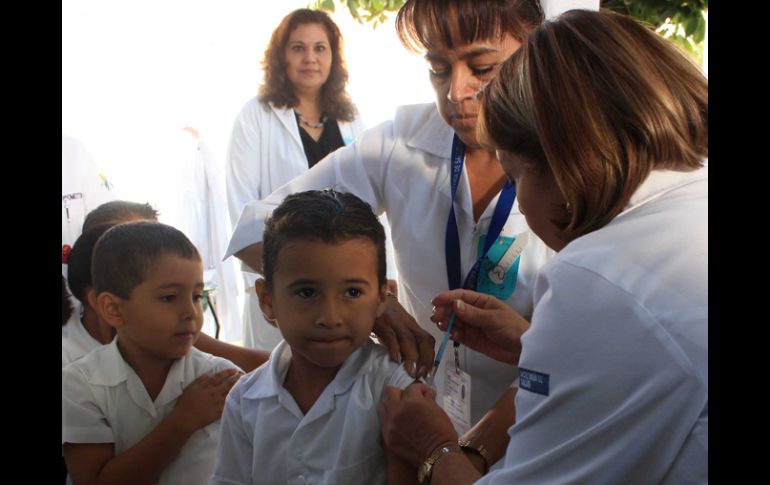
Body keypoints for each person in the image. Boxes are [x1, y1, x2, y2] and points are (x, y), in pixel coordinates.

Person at [226, 0, 596, 469]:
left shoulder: (575, 165)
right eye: (438, 70)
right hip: (425, 422)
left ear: (537, 54)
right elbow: (254, 227)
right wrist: (371, 304)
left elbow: (581, 350)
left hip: (541, 425)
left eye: (482, 68)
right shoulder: (402, 144)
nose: (457, 91)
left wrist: (466, 454)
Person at [379, 9, 708, 483]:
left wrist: (431, 447)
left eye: (513, 177)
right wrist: (539, 346)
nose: (524, 211)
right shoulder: (684, 202)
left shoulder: (600, 278)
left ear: (562, 160)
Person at [210, 190, 418, 485]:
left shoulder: (396, 389)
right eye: (307, 293)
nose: (330, 317)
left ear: (383, 297)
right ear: (267, 300)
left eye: (352, 292)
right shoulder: (245, 401)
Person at [226, 8, 367, 352]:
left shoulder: (350, 119)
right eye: (298, 48)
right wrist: (285, 272)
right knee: (281, 385)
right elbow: (242, 204)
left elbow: (367, 202)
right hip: (283, 281)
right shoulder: (255, 116)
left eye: (320, 48)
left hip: (343, 283)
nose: (310, 58)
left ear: (333, 57)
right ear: (281, 56)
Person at [62, 221, 243, 485]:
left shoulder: (220, 378)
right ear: (112, 309)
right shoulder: (81, 384)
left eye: (196, 296)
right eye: (169, 297)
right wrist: (183, 421)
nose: (191, 313)